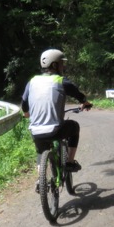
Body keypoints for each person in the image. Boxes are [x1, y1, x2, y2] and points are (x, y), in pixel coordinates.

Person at [21, 49, 92, 182]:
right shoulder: (61, 81)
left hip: (35, 131)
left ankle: (41, 180)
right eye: (61, 64)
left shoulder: (32, 82)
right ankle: (70, 162)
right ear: (54, 65)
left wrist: (26, 114)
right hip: (56, 130)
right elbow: (77, 94)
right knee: (74, 126)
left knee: (40, 151)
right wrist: (85, 103)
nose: (63, 67)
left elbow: (24, 103)